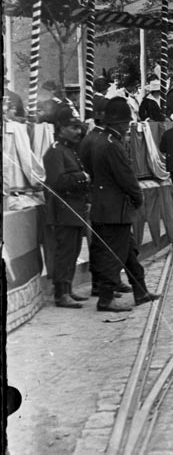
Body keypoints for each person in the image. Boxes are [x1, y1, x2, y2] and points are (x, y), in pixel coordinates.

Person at [78, 97, 160, 313]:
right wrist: (138, 197)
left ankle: (140, 290)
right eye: (127, 123)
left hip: (103, 205)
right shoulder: (113, 145)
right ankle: (105, 299)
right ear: (121, 123)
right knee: (113, 253)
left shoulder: (97, 139)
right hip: (116, 208)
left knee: (128, 252)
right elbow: (126, 177)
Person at [43, 108, 91, 308]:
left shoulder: (69, 150)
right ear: (61, 128)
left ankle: (68, 288)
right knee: (65, 251)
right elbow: (57, 182)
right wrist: (82, 177)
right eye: (73, 127)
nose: (78, 132)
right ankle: (61, 294)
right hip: (64, 210)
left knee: (74, 251)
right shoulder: (55, 151)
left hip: (75, 208)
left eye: (78, 127)